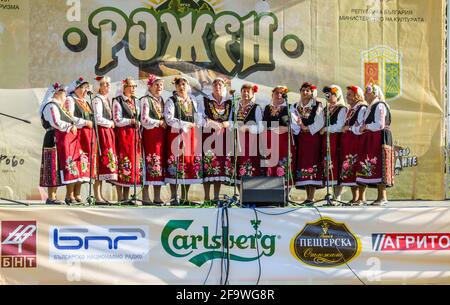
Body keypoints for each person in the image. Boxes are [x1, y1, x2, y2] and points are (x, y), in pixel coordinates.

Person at [164, 76, 204, 205]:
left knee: (188, 164)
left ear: (188, 87)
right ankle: (174, 197)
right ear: (175, 87)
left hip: (191, 136)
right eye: (179, 85)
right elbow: (168, 118)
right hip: (176, 135)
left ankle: (185, 197)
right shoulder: (171, 100)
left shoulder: (193, 100)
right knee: (176, 164)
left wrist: (198, 123)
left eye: (184, 85)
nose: (181, 87)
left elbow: (197, 116)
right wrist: (185, 124)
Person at [39, 83, 78, 204]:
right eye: (64, 92)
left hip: (61, 139)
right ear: (56, 93)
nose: (66, 95)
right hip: (53, 138)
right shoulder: (51, 106)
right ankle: (51, 197)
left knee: (60, 166)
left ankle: (62, 196)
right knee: (52, 166)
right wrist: (70, 126)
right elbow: (55, 122)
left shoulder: (60, 107)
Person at [356, 84, 394, 205]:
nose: (365, 94)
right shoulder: (370, 107)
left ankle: (383, 197)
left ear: (375, 93)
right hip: (372, 138)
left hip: (380, 138)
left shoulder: (380, 105)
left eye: (367, 92)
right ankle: (377, 197)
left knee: (381, 165)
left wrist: (366, 126)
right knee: (373, 166)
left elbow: (380, 124)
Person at [291, 82, 324, 205]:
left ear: (312, 93)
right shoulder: (295, 106)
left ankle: (311, 197)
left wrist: (307, 128)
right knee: (303, 164)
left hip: (312, 138)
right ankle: (308, 196)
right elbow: (293, 120)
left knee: (312, 163)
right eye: (303, 90)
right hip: (301, 138)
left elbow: (320, 121)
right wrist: (300, 128)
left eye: (308, 90)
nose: (305, 92)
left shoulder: (317, 105)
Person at [201, 77, 232, 204]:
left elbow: (234, 119)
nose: (218, 87)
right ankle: (207, 197)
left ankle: (216, 196)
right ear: (212, 87)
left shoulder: (230, 102)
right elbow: (199, 117)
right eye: (215, 84)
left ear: (224, 87)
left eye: (220, 84)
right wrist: (211, 123)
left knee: (219, 165)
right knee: (208, 164)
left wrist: (227, 124)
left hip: (223, 137)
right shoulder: (205, 100)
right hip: (208, 135)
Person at [65, 77, 95, 204]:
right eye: (82, 87)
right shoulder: (70, 100)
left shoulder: (86, 102)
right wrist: (85, 122)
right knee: (75, 164)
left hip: (87, 136)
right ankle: (69, 194)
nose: (85, 90)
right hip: (77, 135)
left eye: (86, 88)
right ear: (75, 89)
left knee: (84, 164)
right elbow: (69, 117)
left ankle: (77, 193)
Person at [261, 85, 295, 198]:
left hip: (284, 140)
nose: (279, 95)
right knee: (271, 165)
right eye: (276, 93)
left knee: (284, 164)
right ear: (272, 94)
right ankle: (273, 194)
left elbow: (295, 125)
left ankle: (286, 194)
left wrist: (286, 128)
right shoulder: (267, 108)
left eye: (282, 93)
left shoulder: (289, 107)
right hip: (271, 140)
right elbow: (264, 125)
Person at [112, 77, 141, 204]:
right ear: (124, 87)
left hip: (134, 136)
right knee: (123, 163)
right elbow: (117, 120)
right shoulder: (117, 101)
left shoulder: (136, 101)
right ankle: (120, 197)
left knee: (132, 164)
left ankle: (127, 196)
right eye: (131, 86)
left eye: (135, 86)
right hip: (123, 134)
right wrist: (131, 121)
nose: (133, 89)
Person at [140, 75, 167, 205]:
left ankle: (157, 197)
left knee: (159, 165)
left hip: (160, 137)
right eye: (156, 85)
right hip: (150, 135)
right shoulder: (146, 100)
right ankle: (145, 196)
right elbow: (144, 120)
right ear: (150, 86)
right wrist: (159, 122)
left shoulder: (161, 100)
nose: (159, 87)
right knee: (149, 163)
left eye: (161, 85)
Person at [338, 86, 367, 205]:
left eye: (350, 94)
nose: (347, 96)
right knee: (349, 168)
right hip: (349, 142)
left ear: (357, 96)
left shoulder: (362, 108)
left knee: (358, 168)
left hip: (357, 141)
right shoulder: (351, 109)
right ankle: (355, 197)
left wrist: (348, 128)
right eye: (347, 94)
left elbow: (360, 126)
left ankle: (361, 197)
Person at [231, 83, 263, 185]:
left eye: (248, 91)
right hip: (238, 141)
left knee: (250, 167)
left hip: (251, 143)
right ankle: (241, 198)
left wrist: (248, 128)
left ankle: (250, 196)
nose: (245, 93)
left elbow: (261, 127)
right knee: (239, 168)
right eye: (243, 91)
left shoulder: (256, 107)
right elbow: (231, 122)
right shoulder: (236, 107)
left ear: (252, 94)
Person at [91, 75, 117, 205]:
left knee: (105, 164)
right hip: (102, 133)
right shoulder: (97, 100)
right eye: (104, 84)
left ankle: (100, 195)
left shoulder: (106, 99)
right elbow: (98, 118)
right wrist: (110, 123)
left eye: (108, 84)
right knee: (100, 164)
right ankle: (97, 196)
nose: (107, 86)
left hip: (107, 132)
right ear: (99, 87)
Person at [320, 85, 347, 203]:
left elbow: (340, 126)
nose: (328, 96)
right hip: (327, 140)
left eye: (331, 94)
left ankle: (338, 197)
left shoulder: (342, 109)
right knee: (328, 165)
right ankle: (331, 194)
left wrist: (325, 129)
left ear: (338, 95)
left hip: (337, 140)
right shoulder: (325, 109)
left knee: (337, 165)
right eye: (327, 94)